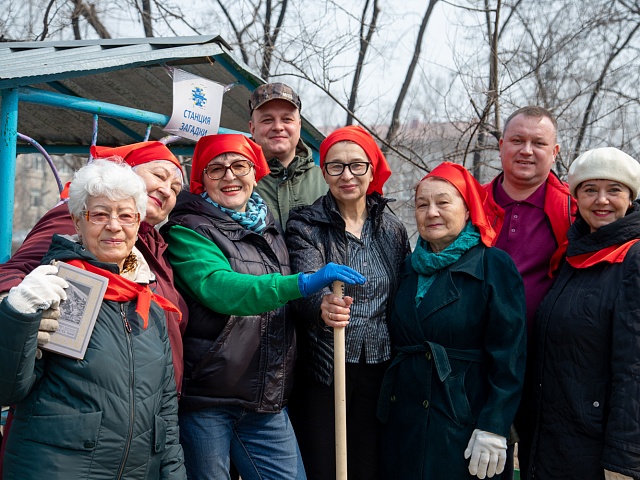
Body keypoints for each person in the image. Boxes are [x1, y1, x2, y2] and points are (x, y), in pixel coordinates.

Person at [161, 133, 366, 480]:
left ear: (255, 172)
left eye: (239, 165)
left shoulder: (270, 229)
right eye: (216, 169)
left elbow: (284, 307)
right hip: (209, 398)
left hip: (265, 398)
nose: (229, 176)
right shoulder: (187, 229)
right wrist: (299, 283)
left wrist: (321, 304)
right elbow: (218, 288)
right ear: (201, 179)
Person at [0, 141, 188, 477]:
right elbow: (7, 388)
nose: (114, 225)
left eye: (126, 215)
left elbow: (166, 416)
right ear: (77, 220)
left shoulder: (150, 304)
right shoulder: (56, 285)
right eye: (100, 214)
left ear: (138, 222)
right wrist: (17, 314)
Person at [378, 162, 526, 479]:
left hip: (465, 422)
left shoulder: (493, 265)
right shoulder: (407, 268)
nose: (432, 212)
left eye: (443, 202)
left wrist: (494, 425)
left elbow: (510, 356)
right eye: (422, 204)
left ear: (468, 208)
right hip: (405, 424)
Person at [285, 125, 410, 480]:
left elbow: (402, 290)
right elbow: (305, 285)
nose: (347, 175)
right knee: (325, 464)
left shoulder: (392, 228)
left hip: (381, 364)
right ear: (323, 172)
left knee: (370, 463)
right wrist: (323, 306)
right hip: (327, 365)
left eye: (357, 165)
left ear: (372, 169)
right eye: (336, 166)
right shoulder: (306, 224)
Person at [528, 147, 640, 480]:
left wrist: (624, 460)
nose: (601, 200)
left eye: (614, 190)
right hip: (555, 441)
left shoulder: (633, 259)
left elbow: (634, 368)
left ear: (630, 197)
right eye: (590, 190)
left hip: (600, 449)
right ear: (577, 197)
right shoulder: (574, 254)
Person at [483, 106, 576, 477]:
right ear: (501, 145)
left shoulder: (574, 211)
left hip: (547, 361)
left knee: (546, 462)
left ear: (554, 152)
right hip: (481, 359)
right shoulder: (471, 205)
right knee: (484, 461)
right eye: (518, 140)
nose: (526, 150)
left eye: (539, 143)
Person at [249, 82, 328, 228]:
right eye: (267, 120)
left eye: (287, 119)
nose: (278, 127)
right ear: (252, 128)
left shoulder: (327, 181)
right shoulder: (235, 181)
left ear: (299, 125)